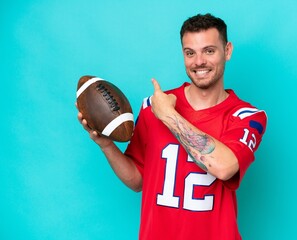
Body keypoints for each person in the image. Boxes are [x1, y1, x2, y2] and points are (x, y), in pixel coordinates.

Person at [77, 13, 267, 240]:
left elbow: (224, 167)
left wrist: (167, 114)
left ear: (227, 51)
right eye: (190, 53)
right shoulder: (152, 105)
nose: (199, 62)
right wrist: (106, 145)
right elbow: (138, 180)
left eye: (209, 50)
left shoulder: (246, 116)